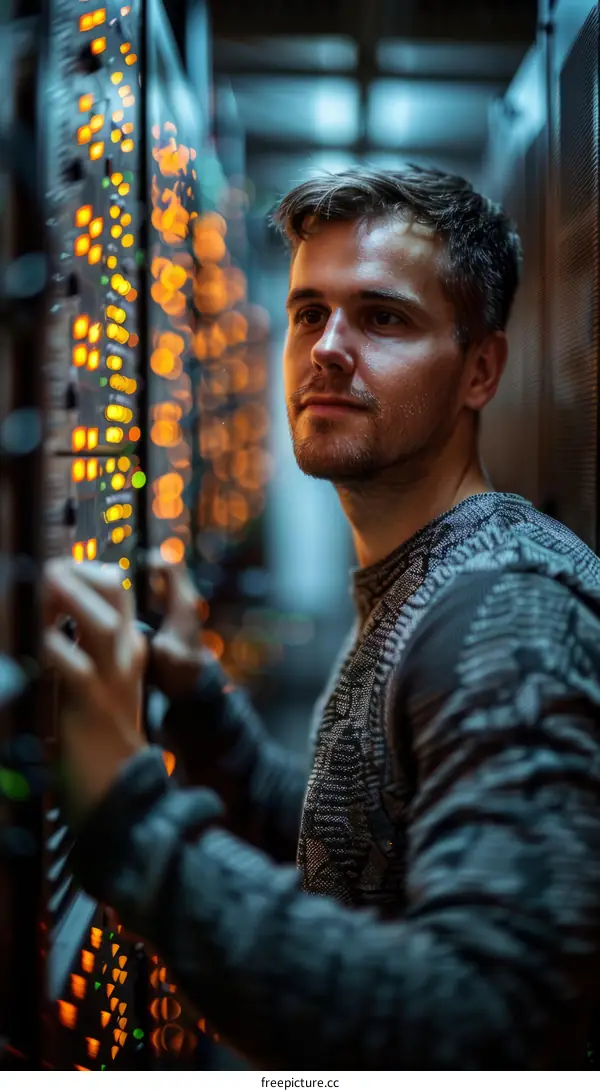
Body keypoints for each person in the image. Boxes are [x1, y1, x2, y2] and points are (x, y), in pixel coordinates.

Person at [44, 166, 600, 1070]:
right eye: (310, 312)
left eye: (383, 317)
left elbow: (490, 1021)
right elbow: (351, 847)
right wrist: (200, 703)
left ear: (481, 370)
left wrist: (128, 816)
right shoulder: (429, 571)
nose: (328, 348)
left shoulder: (510, 610)